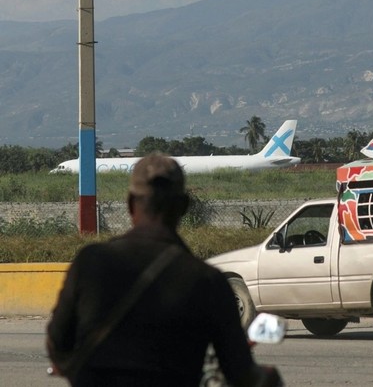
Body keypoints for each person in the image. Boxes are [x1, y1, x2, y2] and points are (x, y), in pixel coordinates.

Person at [47, 154, 258, 386]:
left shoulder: (91, 263)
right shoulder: (208, 281)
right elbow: (240, 371)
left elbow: (57, 343)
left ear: (129, 203)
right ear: (184, 206)